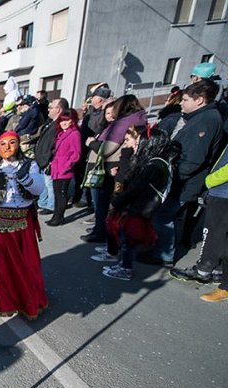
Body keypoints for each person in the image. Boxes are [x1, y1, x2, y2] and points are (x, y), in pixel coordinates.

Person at [150, 80, 224, 266]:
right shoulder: (202, 117)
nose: (181, 103)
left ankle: (165, 255)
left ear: (199, 100)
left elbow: (193, 159)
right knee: (165, 216)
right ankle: (161, 251)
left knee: (163, 216)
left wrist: (171, 177)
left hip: (184, 182)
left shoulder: (207, 120)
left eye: (185, 99)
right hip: (181, 180)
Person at [0, 131, 47, 318]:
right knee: (1, 266)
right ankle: (6, 300)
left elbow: (39, 189)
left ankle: (28, 303)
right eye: (3, 144)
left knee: (26, 266)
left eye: (12, 142)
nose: (7, 147)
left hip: (22, 224)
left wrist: (24, 178)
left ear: (18, 144)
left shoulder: (29, 165)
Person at [102, 129, 178, 281]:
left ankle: (125, 268)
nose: (136, 145)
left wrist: (118, 201)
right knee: (127, 239)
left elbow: (135, 188)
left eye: (138, 143)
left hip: (139, 208)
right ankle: (124, 264)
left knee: (128, 240)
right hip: (140, 207)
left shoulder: (154, 165)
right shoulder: (157, 162)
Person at [81, 95, 147, 244]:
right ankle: (103, 230)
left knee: (103, 203)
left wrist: (92, 142)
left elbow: (106, 149)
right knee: (108, 204)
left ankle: (102, 233)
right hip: (119, 165)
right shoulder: (138, 120)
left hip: (110, 166)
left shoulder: (123, 123)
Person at [169, 143, 228, 298]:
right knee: (221, 234)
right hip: (221, 191)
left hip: (222, 191)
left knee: (212, 233)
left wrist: (209, 180)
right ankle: (217, 270)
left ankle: (204, 270)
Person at [34, 98, 70, 215]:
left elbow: (55, 145)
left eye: (51, 107)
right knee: (43, 183)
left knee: (50, 184)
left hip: (49, 159)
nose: (48, 109)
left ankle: (51, 205)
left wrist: (49, 159)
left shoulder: (60, 125)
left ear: (58, 109)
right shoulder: (50, 122)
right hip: (42, 158)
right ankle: (42, 203)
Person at [47, 109, 82, 226]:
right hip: (57, 167)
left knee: (61, 194)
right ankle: (56, 216)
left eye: (67, 120)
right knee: (57, 194)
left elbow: (76, 154)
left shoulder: (74, 134)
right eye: (62, 121)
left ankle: (58, 217)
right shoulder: (62, 133)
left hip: (64, 169)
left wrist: (67, 165)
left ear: (72, 121)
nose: (64, 123)